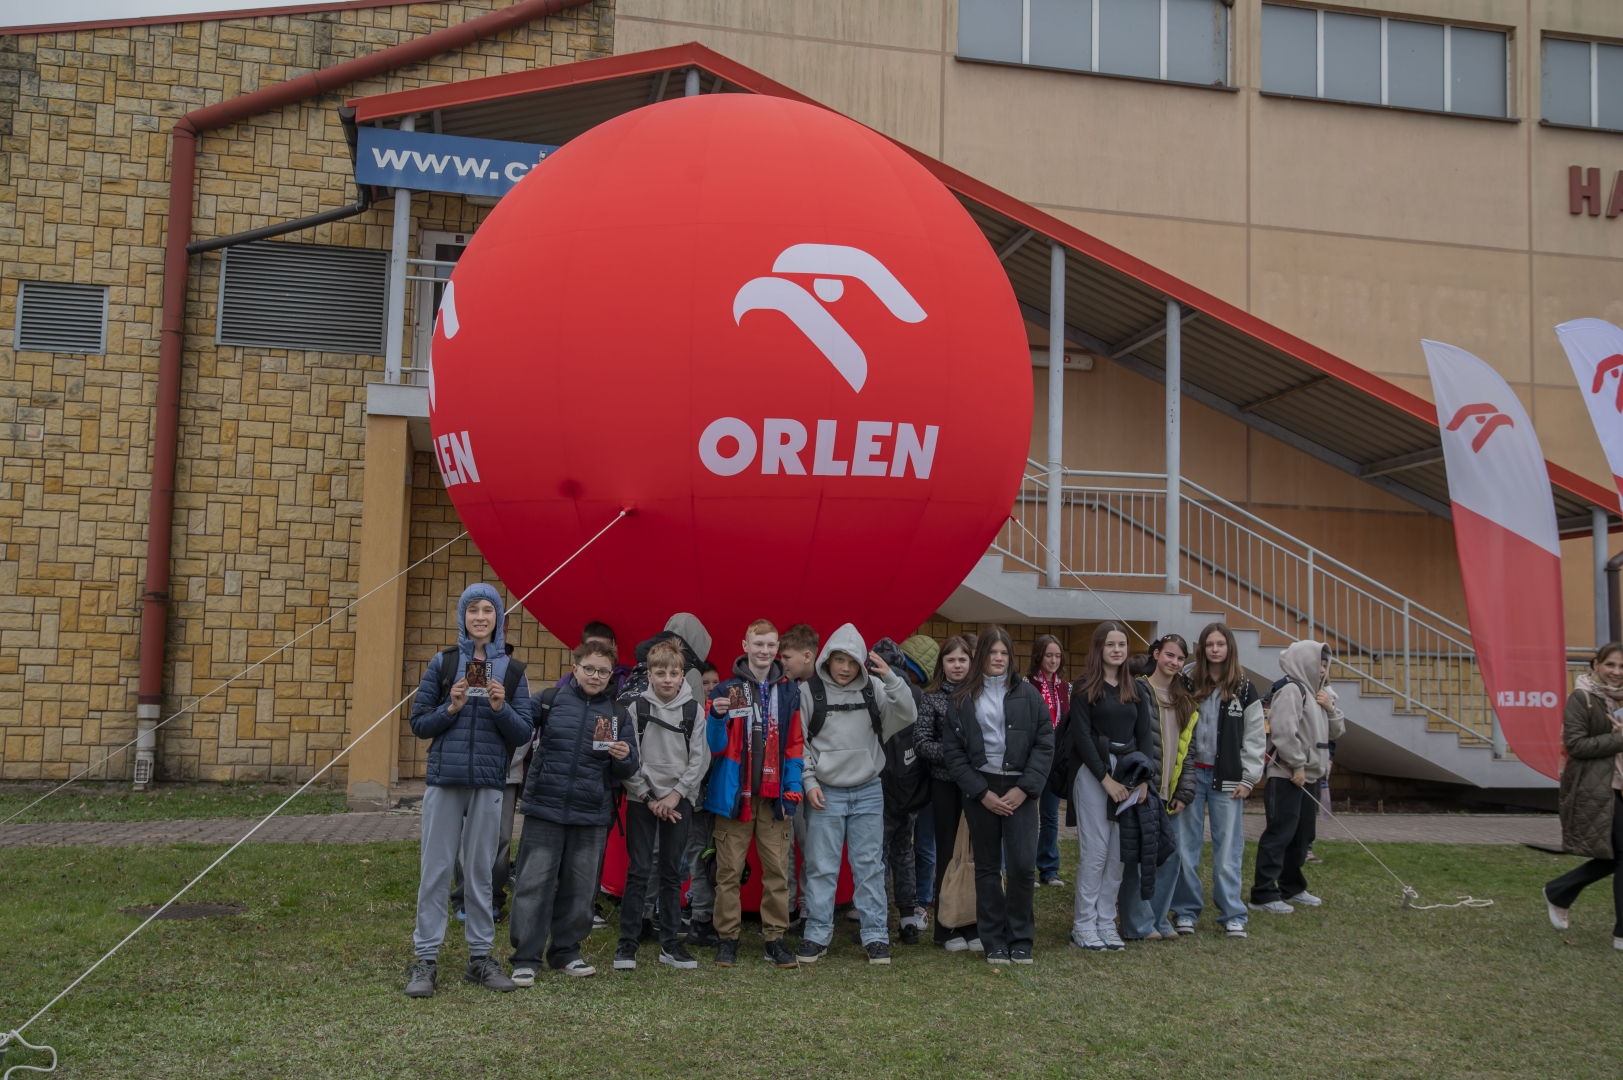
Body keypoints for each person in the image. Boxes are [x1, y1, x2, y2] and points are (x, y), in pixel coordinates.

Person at [404, 584, 532, 998]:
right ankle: (425, 959)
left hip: (489, 782)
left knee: (480, 873)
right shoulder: (443, 662)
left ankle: (480, 958)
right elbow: (419, 724)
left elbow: (523, 732)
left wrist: (500, 707)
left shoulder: (512, 671)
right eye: (473, 609)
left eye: (487, 610)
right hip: (445, 780)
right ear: (463, 616)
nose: (480, 617)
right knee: (436, 871)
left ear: (498, 618)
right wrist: (451, 707)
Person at [508, 639, 640, 982]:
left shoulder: (618, 714)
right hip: (544, 808)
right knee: (533, 884)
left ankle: (566, 953)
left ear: (611, 676)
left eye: (603, 672)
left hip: (591, 813)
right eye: (589, 669)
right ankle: (525, 957)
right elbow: (515, 727)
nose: (595, 676)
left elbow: (628, 769)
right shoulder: (548, 701)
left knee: (581, 889)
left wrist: (625, 757)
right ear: (575, 669)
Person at [795, 623, 917, 965]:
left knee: (869, 867)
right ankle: (816, 934)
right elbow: (799, 742)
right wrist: (809, 782)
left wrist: (890, 678)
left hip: (868, 790)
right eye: (838, 660)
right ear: (826, 659)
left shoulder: (874, 688)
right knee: (821, 867)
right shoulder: (809, 691)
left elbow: (908, 714)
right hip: (824, 792)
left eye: (852, 661)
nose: (845, 668)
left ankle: (875, 935)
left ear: (862, 662)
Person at [940, 626, 1053, 965]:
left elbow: (1045, 743)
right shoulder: (961, 698)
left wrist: (1024, 789)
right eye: (992, 652)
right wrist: (981, 793)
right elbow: (953, 754)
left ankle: (1020, 939)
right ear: (981, 657)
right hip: (982, 788)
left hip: (1021, 790)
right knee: (987, 868)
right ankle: (993, 941)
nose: (999, 658)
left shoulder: (1029, 695)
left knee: (1022, 867)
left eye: (1004, 653)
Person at [705, 619, 805, 969]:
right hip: (736, 796)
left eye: (770, 645)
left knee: (777, 871)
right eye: (758, 644)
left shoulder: (790, 691)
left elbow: (794, 745)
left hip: (774, 797)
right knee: (728, 872)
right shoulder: (725, 689)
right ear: (745, 646)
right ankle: (727, 939)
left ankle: (774, 939)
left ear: (778, 649)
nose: (764, 650)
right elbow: (715, 747)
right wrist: (716, 719)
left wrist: (793, 789)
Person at [615, 639, 711, 972]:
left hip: (678, 801)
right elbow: (629, 758)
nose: (667, 679)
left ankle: (670, 943)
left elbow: (699, 760)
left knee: (671, 872)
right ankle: (628, 942)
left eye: (674, 673)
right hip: (642, 799)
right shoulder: (636, 708)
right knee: (639, 870)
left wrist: (675, 796)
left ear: (682, 675)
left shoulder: (694, 710)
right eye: (661, 673)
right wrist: (648, 796)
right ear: (650, 675)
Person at [1060, 622, 1154, 952]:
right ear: (1099, 648)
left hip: (1129, 773)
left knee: (1117, 854)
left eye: (1122, 644)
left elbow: (1145, 736)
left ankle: (1105, 922)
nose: (1117, 650)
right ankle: (1083, 925)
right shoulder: (1084, 686)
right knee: (1096, 852)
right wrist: (1106, 780)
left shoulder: (1137, 689)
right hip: (1092, 773)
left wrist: (1143, 780)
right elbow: (1082, 738)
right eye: (1110, 644)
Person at [1170, 622, 1264, 939]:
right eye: (1209, 644)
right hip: (1191, 776)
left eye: (1220, 644)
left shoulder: (1244, 687)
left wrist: (1249, 778)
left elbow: (1254, 737)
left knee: (1227, 851)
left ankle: (1232, 915)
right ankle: (1185, 911)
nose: (1214, 649)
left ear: (1229, 647)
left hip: (1228, 778)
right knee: (1185, 847)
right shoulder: (1186, 680)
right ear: (1202, 648)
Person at [1250, 640, 1345, 915]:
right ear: (1305, 663)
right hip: (1288, 776)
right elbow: (1282, 732)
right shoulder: (1292, 690)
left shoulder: (1319, 694)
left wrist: (1330, 708)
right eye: (1318, 664)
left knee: (1302, 836)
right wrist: (1297, 765)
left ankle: (1291, 887)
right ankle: (1263, 894)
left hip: (1310, 776)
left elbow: (1337, 731)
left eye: (1326, 665)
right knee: (1280, 833)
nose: (1322, 669)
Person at [1544, 642, 1623, 951]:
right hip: (1597, 787)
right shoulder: (1583, 697)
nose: (1617, 672)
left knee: (1613, 855)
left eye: (1622, 667)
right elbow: (1576, 745)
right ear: (1596, 665)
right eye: (1610, 665)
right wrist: (1618, 739)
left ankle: (1558, 891)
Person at [1120, 633, 1197, 941]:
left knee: (1171, 857)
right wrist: (1138, 782)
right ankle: (1138, 924)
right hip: (1145, 790)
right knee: (1141, 858)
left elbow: (1188, 750)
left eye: (1180, 658)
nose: (1174, 662)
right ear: (1156, 654)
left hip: (1171, 791)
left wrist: (1185, 791)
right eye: (1169, 655)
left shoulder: (1185, 699)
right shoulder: (1139, 690)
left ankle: (1160, 919)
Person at [916, 635, 979, 950]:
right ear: (942, 664)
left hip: (979, 786)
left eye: (962, 660)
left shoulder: (982, 696)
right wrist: (955, 756)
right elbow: (922, 742)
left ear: (971, 662)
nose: (957, 665)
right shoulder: (931, 698)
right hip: (945, 785)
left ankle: (974, 924)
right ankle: (947, 928)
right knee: (947, 854)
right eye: (951, 660)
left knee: (977, 854)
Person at [874, 636, 930, 945]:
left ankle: (879, 921)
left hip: (881, 788)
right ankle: (908, 918)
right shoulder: (917, 694)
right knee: (904, 851)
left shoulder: (873, 692)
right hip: (910, 789)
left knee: (879, 855)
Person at [778, 622, 821, 927]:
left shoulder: (823, 689)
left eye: (786, 657)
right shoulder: (783, 686)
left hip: (814, 780)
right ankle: (788, 905)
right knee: (786, 845)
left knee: (811, 846)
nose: (782, 663)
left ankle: (807, 907)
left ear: (807, 656)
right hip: (785, 777)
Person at [900, 634, 941, 928]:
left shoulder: (930, 699)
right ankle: (901, 898)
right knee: (898, 842)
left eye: (910, 670)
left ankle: (921, 901)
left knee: (925, 843)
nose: (905, 674)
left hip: (928, 779)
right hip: (900, 779)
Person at [1028, 634, 1069, 889]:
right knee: (1028, 816)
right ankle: (1025, 868)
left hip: (1056, 759)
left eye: (1057, 656)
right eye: (1048, 655)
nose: (1053, 661)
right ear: (1038, 657)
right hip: (1033, 758)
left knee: (1051, 815)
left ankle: (1049, 869)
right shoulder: (1027, 685)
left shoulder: (1065, 687)